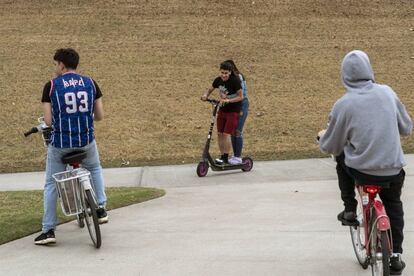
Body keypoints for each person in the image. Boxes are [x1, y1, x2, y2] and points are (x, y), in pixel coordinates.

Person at [318, 50, 411, 275]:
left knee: (340, 159)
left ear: (345, 76)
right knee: (394, 205)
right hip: (393, 170)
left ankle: (350, 208)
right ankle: (396, 254)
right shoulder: (388, 93)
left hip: (362, 172)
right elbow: (406, 128)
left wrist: (323, 136)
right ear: (369, 70)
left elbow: (331, 145)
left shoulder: (344, 105)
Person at [35, 48, 108, 245]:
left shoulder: (50, 86)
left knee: (51, 183)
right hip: (86, 141)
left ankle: (48, 230)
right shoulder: (91, 83)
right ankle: (100, 207)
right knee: (94, 168)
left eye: (55, 64)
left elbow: (49, 121)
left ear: (61, 65)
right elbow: (99, 116)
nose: (55, 68)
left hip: (61, 144)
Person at [201, 61, 243, 164]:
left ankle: (225, 157)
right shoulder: (218, 80)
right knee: (219, 134)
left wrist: (228, 100)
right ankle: (222, 156)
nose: (224, 75)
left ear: (230, 72)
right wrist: (205, 95)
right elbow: (210, 89)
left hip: (233, 111)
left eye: (226, 73)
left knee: (226, 134)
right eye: (222, 72)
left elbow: (240, 96)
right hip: (222, 110)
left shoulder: (235, 81)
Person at [224, 60, 249, 165]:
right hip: (234, 105)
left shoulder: (238, 77)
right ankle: (235, 156)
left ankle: (238, 156)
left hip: (242, 105)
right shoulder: (230, 79)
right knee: (232, 130)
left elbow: (240, 95)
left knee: (237, 131)